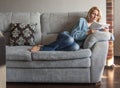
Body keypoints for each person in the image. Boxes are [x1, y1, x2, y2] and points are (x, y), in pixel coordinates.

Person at [31, 6, 109, 52]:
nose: (95, 16)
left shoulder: (97, 27)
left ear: (99, 17)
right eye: (93, 14)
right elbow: (73, 35)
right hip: (66, 36)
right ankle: (42, 48)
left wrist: (106, 31)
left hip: (75, 44)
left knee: (76, 47)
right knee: (70, 40)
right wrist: (87, 33)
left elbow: (111, 37)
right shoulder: (82, 20)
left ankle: (47, 47)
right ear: (90, 14)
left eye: (97, 15)